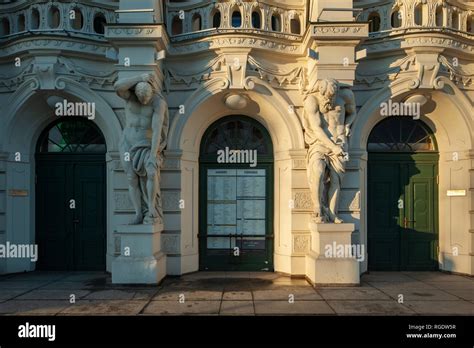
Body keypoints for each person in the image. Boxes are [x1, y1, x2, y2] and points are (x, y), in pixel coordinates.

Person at [114, 73, 169, 225]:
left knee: (151, 172)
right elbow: (117, 86)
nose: (144, 101)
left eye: (146, 99)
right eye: (141, 99)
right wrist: (139, 78)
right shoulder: (130, 96)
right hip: (127, 143)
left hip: (146, 144)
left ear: (151, 92)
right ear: (136, 93)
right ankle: (138, 213)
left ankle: (151, 207)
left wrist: (153, 154)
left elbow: (157, 129)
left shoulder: (158, 102)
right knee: (131, 178)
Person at [303, 78, 357, 223]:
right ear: (321, 90)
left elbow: (353, 112)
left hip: (340, 141)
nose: (331, 99)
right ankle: (318, 207)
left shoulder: (346, 96)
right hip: (320, 143)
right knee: (318, 171)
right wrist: (332, 147)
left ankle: (333, 213)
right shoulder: (312, 100)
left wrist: (347, 125)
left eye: (333, 95)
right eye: (328, 96)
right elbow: (316, 128)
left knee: (336, 179)